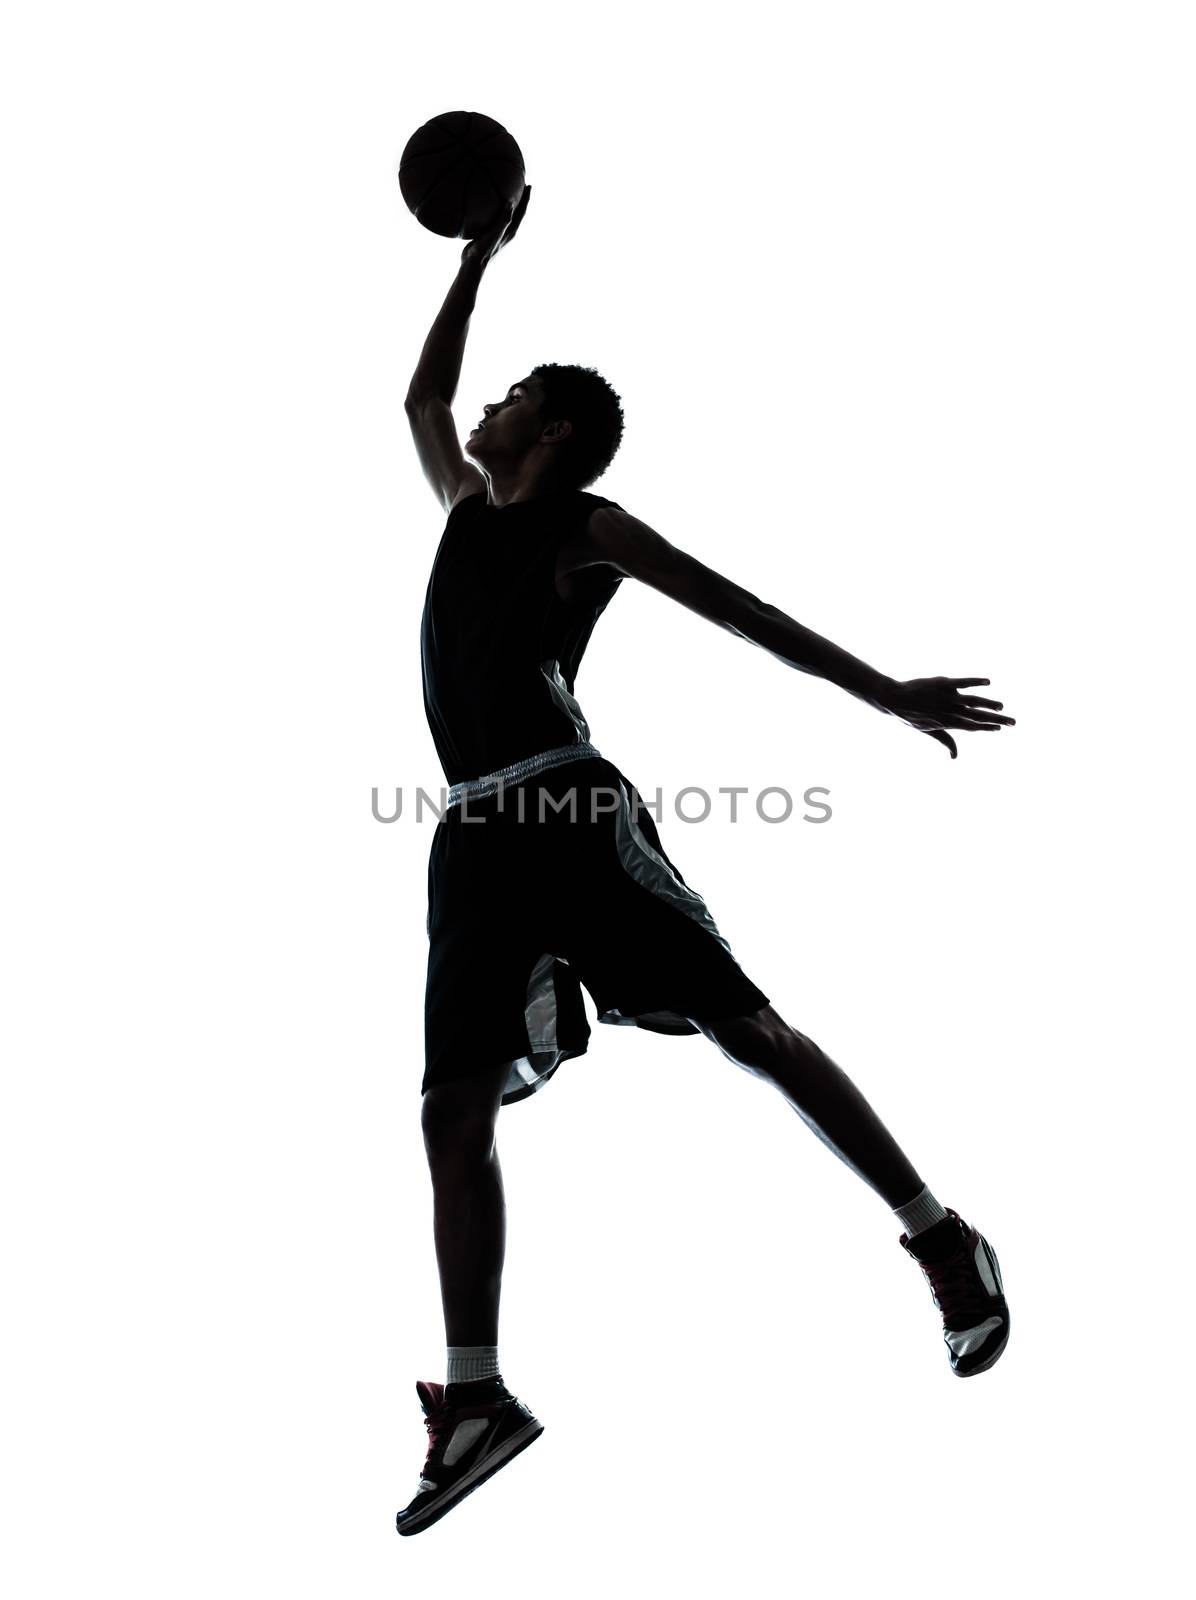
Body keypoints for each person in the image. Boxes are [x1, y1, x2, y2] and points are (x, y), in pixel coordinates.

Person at [396, 187, 1014, 1537]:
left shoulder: (587, 529)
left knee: (747, 1031)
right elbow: (421, 404)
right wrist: (474, 262)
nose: (484, 406)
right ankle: (478, 1396)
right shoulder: (462, 510)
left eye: (513, 397)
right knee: (448, 1113)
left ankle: (935, 1233)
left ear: (552, 434)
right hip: (472, 843)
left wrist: (886, 694)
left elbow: (746, 611)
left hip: (569, 813)